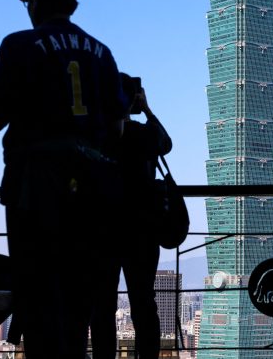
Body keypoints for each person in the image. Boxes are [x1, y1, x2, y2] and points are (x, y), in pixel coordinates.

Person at [0, 0, 126, 359]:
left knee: (37, 288)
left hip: (35, 183)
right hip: (94, 187)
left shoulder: (19, 45)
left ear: (33, 1)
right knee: (80, 292)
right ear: (74, 4)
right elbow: (117, 127)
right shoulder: (102, 52)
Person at [90, 74, 171, 359]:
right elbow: (166, 144)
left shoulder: (96, 135)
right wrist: (146, 108)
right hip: (142, 230)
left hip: (103, 229)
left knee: (102, 305)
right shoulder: (142, 134)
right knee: (144, 302)